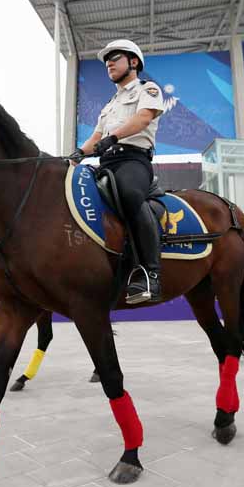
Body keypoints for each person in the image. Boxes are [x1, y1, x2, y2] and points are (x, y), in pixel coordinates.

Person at [73, 39, 165, 304]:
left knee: (128, 194)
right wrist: (75, 157)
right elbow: (95, 138)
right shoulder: (109, 104)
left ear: (133, 62)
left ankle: (150, 274)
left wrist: (112, 139)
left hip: (134, 161)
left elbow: (143, 119)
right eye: (106, 61)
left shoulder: (147, 89)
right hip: (106, 163)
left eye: (115, 57)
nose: (109, 63)